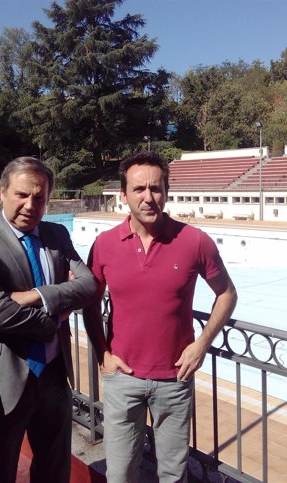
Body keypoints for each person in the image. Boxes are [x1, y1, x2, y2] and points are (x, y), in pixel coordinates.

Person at [83, 151, 238, 483]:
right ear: (123, 195)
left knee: (173, 474)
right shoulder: (104, 245)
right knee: (120, 473)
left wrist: (202, 344)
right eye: (139, 189)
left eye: (156, 188)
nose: (148, 197)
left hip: (174, 380)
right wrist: (102, 354)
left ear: (167, 191)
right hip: (122, 379)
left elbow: (227, 294)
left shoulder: (195, 241)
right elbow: (90, 303)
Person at [0, 156, 97, 483]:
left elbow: (88, 284)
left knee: (53, 468)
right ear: (2, 193)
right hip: (2, 381)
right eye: (22, 194)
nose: (31, 205)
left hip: (53, 376)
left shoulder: (56, 235)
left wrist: (38, 296)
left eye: (40, 197)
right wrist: (53, 320)